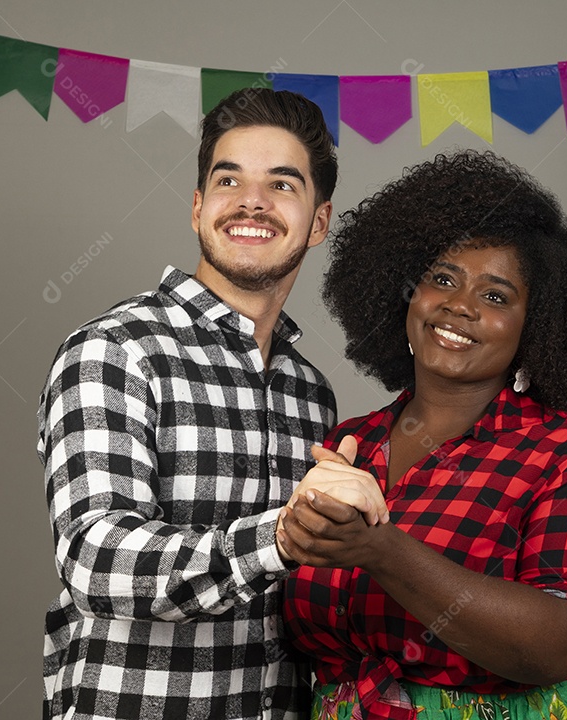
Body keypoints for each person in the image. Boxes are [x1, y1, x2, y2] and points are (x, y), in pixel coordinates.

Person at [37, 88, 387, 720]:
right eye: (229, 180)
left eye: (282, 185)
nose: (251, 200)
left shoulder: (311, 392)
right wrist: (278, 538)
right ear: (199, 208)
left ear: (320, 221)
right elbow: (98, 559)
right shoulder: (116, 351)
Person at [278, 150, 567, 720]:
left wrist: (380, 549)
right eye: (442, 280)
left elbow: (555, 646)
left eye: (495, 296)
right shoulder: (349, 445)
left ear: (538, 326)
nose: (459, 305)